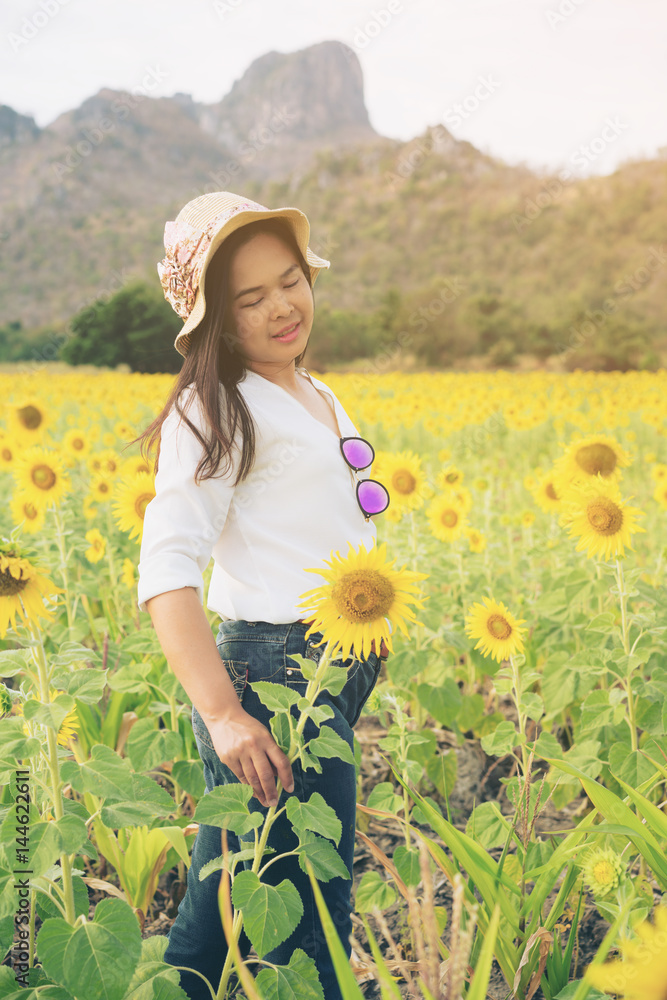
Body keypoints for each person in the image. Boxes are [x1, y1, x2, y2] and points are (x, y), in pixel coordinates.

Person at [135, 191, 391, 1000]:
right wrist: (221, 713)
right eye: (250, 298)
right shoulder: (213, 405)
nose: (283, 305)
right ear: (214, 319)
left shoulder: (309, 387)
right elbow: (166, 569)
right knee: (309, 902)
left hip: (325, 666)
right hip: (275, 677)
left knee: (228, 888)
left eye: (290, 280)